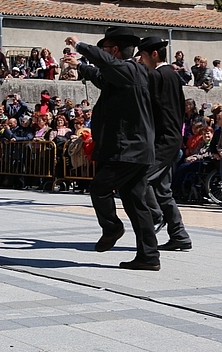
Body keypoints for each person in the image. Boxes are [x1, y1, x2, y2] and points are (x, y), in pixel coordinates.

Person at [63, 27, 160, 271]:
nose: (104, 52)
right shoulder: (124, 75)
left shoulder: (131, 69)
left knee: (99, 188)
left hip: (128, 150)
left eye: (106, 48)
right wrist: (80, 66)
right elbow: (102, 77)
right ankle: (148, 256)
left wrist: (81, 45)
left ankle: (112, 227)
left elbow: (106, 65)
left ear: (114, 49)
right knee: (136, 204)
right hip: (133, 150)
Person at [136, 36, 192, 251]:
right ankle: (179, 234)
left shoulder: (160, 75)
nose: (141, 59)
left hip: (163, 140)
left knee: (141, 178)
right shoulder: (171, 75)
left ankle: (155, 215)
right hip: (170, 138)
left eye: (142, 55)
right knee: (163, 191)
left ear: (154, 54)